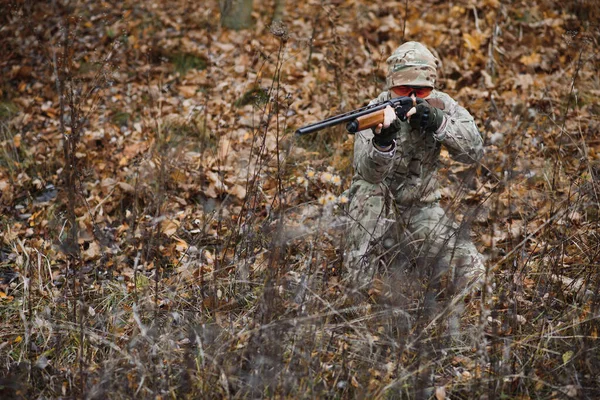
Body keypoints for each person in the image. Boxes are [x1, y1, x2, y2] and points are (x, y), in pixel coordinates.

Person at [344, 41, 485, 295]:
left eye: (420, 91)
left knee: (472, 273)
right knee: (367, 190)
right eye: (403, 88)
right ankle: (361, 278)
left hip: (423, 211)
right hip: (376, 208)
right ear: (391, 86)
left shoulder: (441, 104)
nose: (410, 97)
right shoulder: (374, 111)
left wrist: (438, 122)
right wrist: (383, 142)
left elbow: (474, 152)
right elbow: (367, 174)